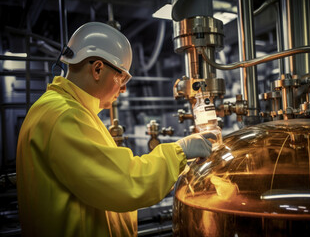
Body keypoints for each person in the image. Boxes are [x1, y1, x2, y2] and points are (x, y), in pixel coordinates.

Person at [16, 22, 214, 237]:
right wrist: (179, 151)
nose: (124, 88)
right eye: (123, 77)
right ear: (98, 69)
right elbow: (124, 182)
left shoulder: (69, 111)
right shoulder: (64, 116)